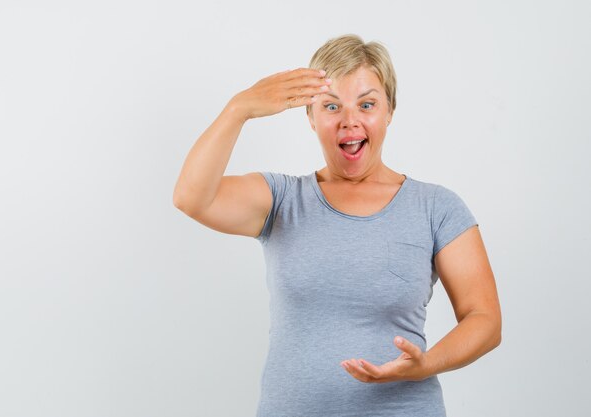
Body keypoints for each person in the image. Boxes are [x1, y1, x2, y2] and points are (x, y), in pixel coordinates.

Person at [173, 34, 502, 417]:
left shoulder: (436, 207)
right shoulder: (281, 199)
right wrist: (240, 108)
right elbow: (191, 197)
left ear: (389, 110)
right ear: (311, 118)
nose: (350, 121)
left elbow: (485, 320)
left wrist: (425, 365)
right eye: (331, 106)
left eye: (367, 104)